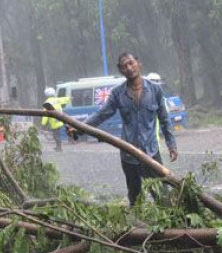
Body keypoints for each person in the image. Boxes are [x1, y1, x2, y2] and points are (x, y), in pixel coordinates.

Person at [86, 53, 178, 205]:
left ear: (138, 63)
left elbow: (164, 119)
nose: (129, 68)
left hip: (151, 154)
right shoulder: (117, 93)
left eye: (131, 63)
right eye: (124, 66)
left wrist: (171, 144)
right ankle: (136, 226)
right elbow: (102, 114)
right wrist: (79, 128)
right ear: (121, 70)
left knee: (162, 197)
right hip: (129, 155)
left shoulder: (155, 90)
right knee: (135, 197)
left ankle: (169, 226)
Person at [41, 87, 65, 151]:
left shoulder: (47, 102)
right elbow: (64, 100)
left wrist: (43, 124)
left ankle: (59, 147)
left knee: (56, 135)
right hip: (59, 119)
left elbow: (45, 115)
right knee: (57, 134)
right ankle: (58, 146)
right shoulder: (57, 100)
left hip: (53, 121)